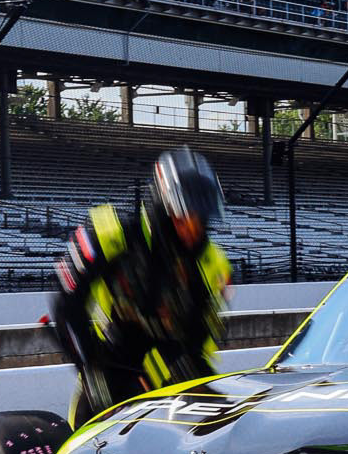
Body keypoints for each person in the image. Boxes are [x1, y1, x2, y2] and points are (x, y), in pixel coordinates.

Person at [49, 146, 231, 424]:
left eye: (200, 220)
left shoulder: (213, 264)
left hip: (173, 366)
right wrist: (91, 370)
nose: (192, 231)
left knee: (222, 418)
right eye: (185, 218)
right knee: (92, 421)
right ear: (164, 208)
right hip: (110, 363)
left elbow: (199, 345)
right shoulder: (110, 232)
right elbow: (66, 306)